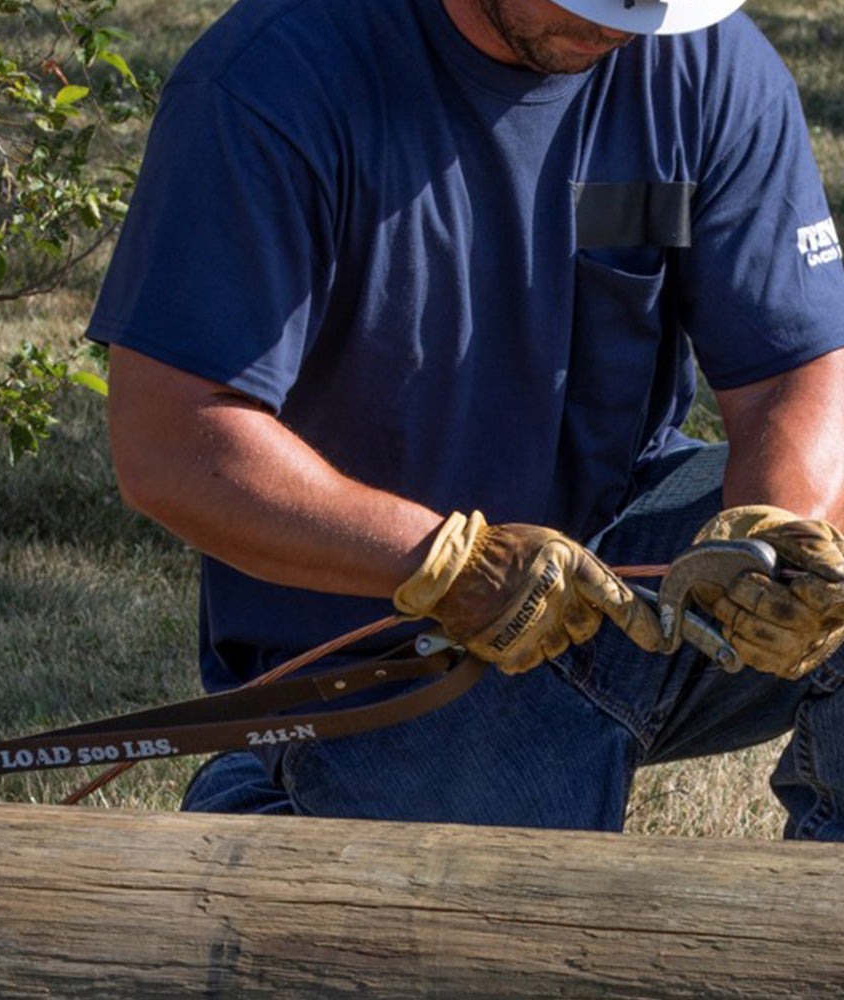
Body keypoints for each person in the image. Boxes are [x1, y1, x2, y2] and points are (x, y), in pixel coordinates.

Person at [87, 0, 844, 837]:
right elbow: (169, 439)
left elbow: (796, 372)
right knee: (518, 911)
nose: (619, 28)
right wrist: (446, 562)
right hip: (384, 645)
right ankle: (265, 806)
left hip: (624, 576)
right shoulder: (267, 85)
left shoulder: (700, 63)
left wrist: (776, 538)